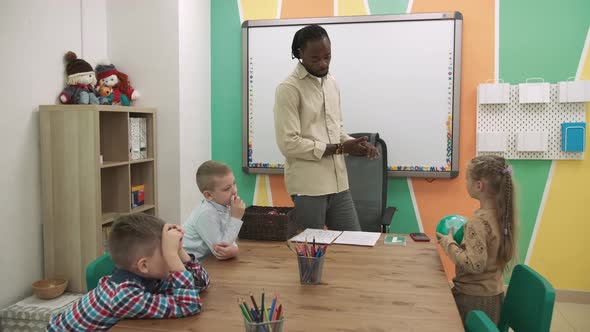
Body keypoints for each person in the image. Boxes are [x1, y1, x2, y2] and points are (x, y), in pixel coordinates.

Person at [273, 24, 379, 232]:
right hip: (309, 187)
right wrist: (339, 148)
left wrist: (353, 144)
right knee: (312, 252)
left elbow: (335, 130)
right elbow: (289, 144)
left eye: (327, 56)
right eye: (315, 58)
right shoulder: (288, 89)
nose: (323, 63)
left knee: (354, 245)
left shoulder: (331, 83)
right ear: (299, 54)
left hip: (339, 184)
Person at [47, 213, 210, 331]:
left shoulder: (149, 275)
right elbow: (189, 305)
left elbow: (200, 284)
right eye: (167, 252)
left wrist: (180, 250)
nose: (171, 254)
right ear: (144, 265)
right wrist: (172, 256)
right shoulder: (125, 296)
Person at [437, 155, 517, 325]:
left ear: (479, 185)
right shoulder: (503, 215)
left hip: (472, 299)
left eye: (467, 179)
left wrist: (448, 243)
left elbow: (475, 265)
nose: (465, 183)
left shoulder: (477, 222)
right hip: (494, 296)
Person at [183, 160, 245, 261]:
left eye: (234, 183)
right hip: (190, 266)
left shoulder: (223, 205)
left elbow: (228, 238)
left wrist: (234, 249)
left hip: (208, 261)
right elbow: (221, 250)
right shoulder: (206, 213)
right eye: (227, 188)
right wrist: (236, 218)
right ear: (209, 195)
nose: (234, 190)